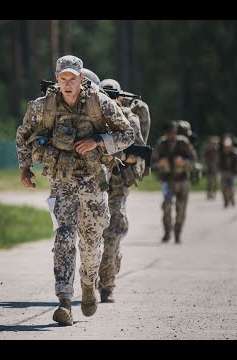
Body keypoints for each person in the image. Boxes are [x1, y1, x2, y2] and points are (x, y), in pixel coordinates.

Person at [15, 55, 134, 326]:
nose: (68, 84)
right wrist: (24, 168)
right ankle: (65, 301)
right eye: (62, 78)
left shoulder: (100, 103)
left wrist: (98, 141)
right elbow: (23, 135)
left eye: (73, 78)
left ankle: (88, 284)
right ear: (57, 79)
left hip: (93, 181)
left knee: (91, 243)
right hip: (61, 181)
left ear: (82, 78)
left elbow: (127, 135)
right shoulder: (42, 106)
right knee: (64, 238)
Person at [97, 78, 149, 303]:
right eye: (104, 95)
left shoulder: (129, 119)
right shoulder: (92, 115)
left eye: (112, 95)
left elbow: (138, 156)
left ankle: (107, 284)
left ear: (119, 98)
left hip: (117, 185)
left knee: (113, 232)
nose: (108, 99)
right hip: (92, 183)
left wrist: (118, 155)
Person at [152, 121, 197, 243]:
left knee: (181, 208)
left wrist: (184, 162)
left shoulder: (183, 143)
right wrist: (160, 163)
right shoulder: (161, 144)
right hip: (168, 180)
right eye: (170, 132)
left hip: (183, 180)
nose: (172, 135)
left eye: (174, 132)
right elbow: (152, 162)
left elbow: (194, 160)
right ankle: (167, 232)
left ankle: (178, 233)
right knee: (166, 206)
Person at [219, 136, 237, 208]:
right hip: (224, 172)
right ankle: (226, 201)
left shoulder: (235, 153)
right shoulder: (221, 154)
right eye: (225, 146)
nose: (226, 148)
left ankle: (232, 198)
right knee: (224, 188)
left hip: (232, 172)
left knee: (232, 187)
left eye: (228, 146)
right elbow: (218, 163)